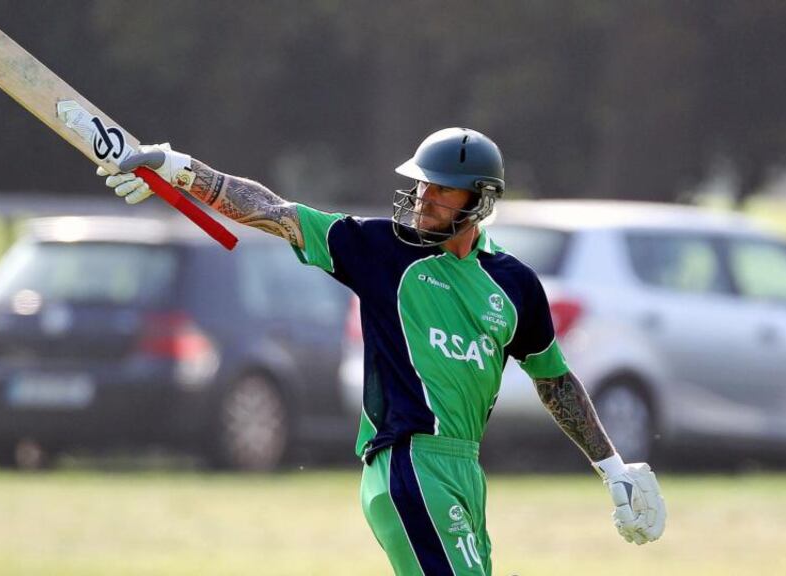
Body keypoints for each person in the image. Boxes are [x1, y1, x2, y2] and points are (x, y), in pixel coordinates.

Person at [99, 127, 666, 575]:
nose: (424, 196)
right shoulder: (378, 250)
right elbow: (275, 212)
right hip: (407, 462)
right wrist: (178, 170)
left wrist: (612, 466)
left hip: (465, 469)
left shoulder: (514, 285)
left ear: (481, 200)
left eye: (442, 188)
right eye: (422, 183)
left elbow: (554, 379)